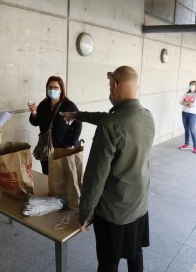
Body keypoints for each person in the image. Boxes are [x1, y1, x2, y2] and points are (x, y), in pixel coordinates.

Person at [61, 66, 155, 272]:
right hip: (139, 205)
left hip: (114, 212)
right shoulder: (147, 116)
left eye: (109, 85)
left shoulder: (110, 126)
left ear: (115, 85)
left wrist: (85, 212)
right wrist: (77, 115)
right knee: (135, 252)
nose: (109, 89)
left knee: (108, 262)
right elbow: (108, 118)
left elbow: (96, 176)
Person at [28, 76, 82, 175]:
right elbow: (35, 122)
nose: (52, 90)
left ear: (61, 89)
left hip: (63, 149)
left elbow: (78, 125)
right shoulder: (43, 105)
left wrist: (72, 144)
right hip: (46, 149)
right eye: (50, 87)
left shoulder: (69, 105)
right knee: (47, 176)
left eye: (56, 88)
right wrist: (34, 113)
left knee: (63, 178)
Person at [179, 80, 196, 154]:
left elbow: (194, 104)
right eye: (190, 85)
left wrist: (185, 103)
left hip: (192, 114)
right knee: (186, 129)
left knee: (192, 130)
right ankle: (186, 144)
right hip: (184, 113)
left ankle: (195, 147)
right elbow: (180, 102)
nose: (191, 86)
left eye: (193, 85)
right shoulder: (186, 93)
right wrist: (189, 103)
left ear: (195, 86)